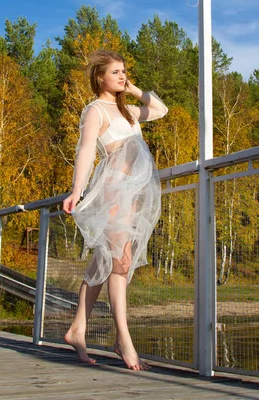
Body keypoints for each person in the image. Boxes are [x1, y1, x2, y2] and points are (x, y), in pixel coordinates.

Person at [62, 49, 168, 370]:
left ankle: (78, 329)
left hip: (133, 195)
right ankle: (124, 340)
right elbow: (84, 152)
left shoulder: (130, 112)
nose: (122, 76)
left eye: (124, 71)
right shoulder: (96, 110)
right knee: (119, 263)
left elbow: (161, 109)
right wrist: (77, 190)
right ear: (100, 78)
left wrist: (133, 88)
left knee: (105, 260)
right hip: (113, 191)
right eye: (116, 73)